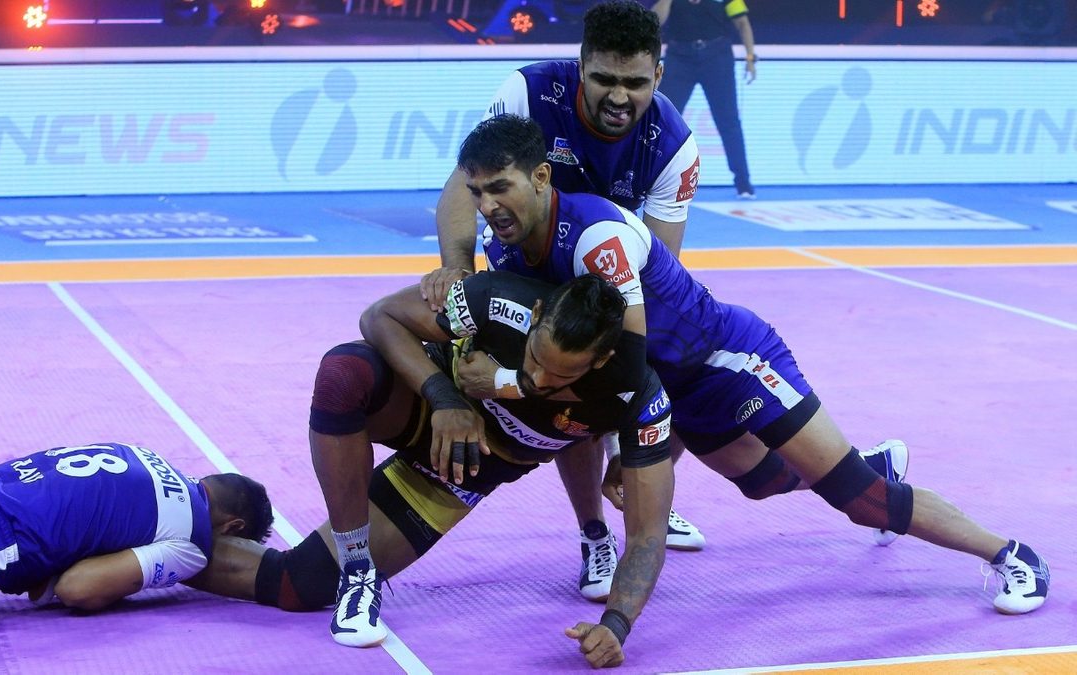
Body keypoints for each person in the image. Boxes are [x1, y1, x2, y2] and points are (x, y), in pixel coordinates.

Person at [439, 113, 1050, 664]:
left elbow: (623, 369)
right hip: (670, 389)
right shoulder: (507, 251)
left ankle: (1011, 553)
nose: (488, 205)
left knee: (858, 499)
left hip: (727, 361)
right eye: (477, 192)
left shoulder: (596, 238)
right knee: (762, 483)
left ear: (541, 177)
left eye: (500, 188)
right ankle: (869, 461)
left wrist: (511, 384)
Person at [201, 272, 675, 666]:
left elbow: (648, 536)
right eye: (534, 358)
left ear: (602, 361)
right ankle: (357, 569)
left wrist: (616, 625)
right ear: (534, 316)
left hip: (468, 469)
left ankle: (171, 555)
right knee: (344, 374)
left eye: (561, 375)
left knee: (296, 585)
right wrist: (445, 398)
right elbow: (379, 316)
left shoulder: (638, 398)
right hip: (427, 405)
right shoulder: (499, 299)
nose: (537, 378)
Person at [428, 0, 707, 588]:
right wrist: (456, 268)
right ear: (580, 67)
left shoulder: (674, 145)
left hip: (604, 269)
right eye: (604, 78)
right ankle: (594, 532)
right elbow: (466, 180)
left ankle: (640, 484)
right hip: (526, 266)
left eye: (635, 83)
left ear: (658, 76)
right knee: (564, 386)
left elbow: (659, 266)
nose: (618, 96)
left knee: (682, 364)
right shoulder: (529, 93)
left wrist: (623, 361)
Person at [0, 442, 273, 645]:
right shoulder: (193, 541)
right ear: (232, 527)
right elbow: (79, 588)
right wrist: (120, 587)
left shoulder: (142, 454)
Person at [652, 0, 757, 199]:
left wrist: (750, 57)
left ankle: (743, 182)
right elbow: (655, 21)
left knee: (728, 121)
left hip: (717, 57)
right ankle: (651, 177)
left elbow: (742, 23)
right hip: (680, 58)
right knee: (662, 120)